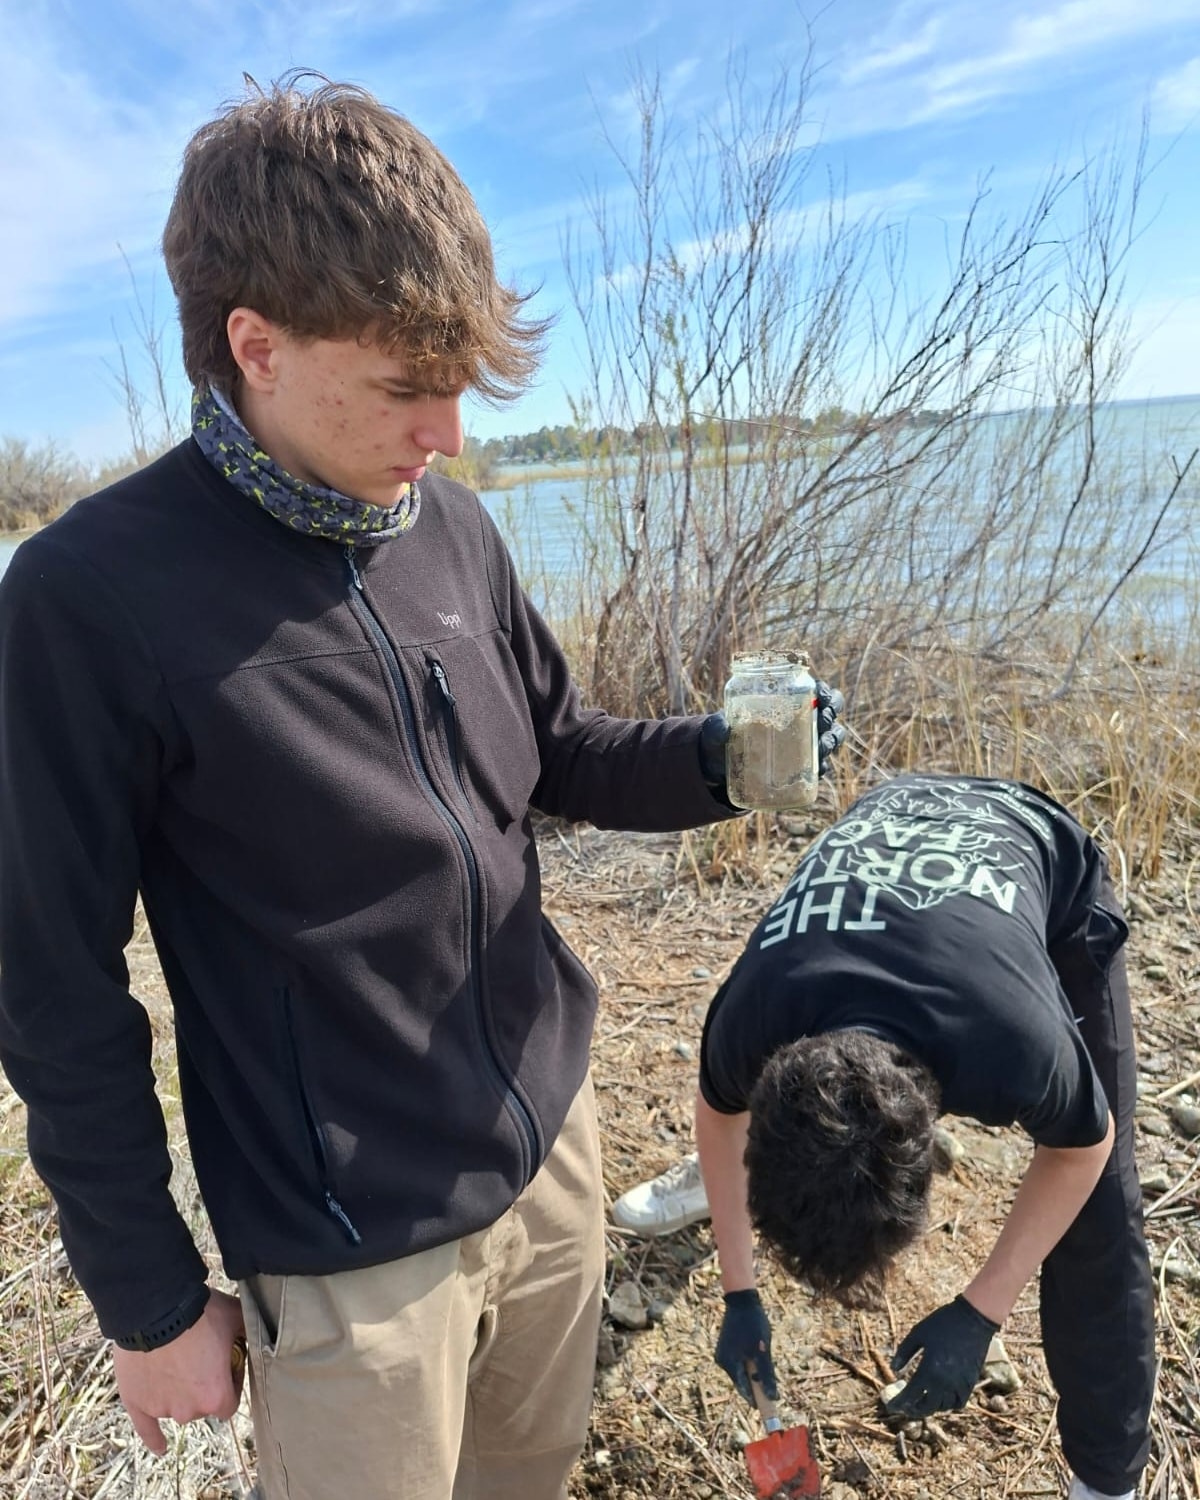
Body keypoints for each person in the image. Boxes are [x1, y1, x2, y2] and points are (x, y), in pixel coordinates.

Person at [0, 74, 843, 1500]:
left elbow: (558, 749)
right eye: (405, 385)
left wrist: (717, 760)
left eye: (458, 382)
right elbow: (51, 985)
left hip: (549, 1145)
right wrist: (145, 1301)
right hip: (349, 1247)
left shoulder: (445, 526)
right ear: (254, 345)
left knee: (530, 1472)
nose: (448, 432)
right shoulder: (88, 598)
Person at [623, 773, 1155, 1500]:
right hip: (895, 811)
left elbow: (1082, 1148)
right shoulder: (755, 1012)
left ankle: (1106, 1481)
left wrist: (980, 1312)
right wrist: (738, 1292)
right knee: (737, 1106)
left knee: (1103, 1209)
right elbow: (721, 1115)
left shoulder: (1014, 1044)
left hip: (1036, 853)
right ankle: (727, 1194)